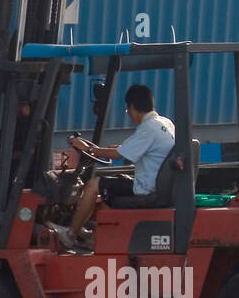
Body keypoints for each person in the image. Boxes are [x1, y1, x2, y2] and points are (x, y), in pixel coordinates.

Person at [62, 84, 175, 243]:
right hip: (156, 185)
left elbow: (117, 155)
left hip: (146, 189)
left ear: (133, 107)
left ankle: (70, 234)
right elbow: (132, 150)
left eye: (128, 110)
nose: (129, 114)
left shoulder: (148, 128)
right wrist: (106, 150)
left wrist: (89, 149)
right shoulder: (164, 123)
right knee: (113, 184)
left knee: (95, 185)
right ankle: (95, 236)